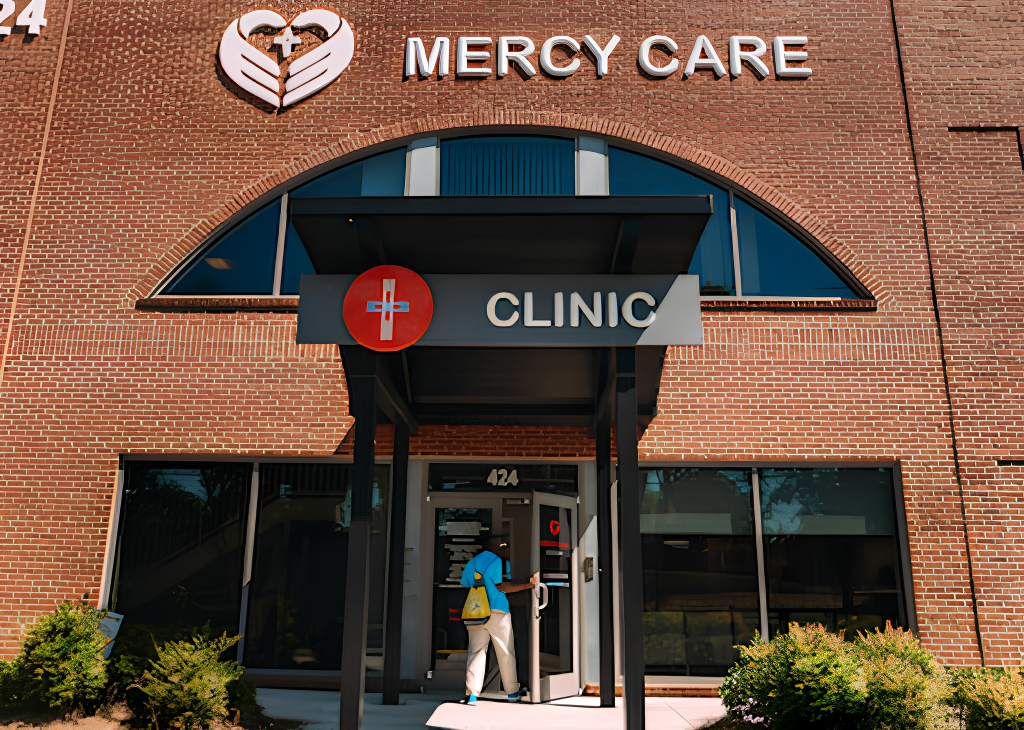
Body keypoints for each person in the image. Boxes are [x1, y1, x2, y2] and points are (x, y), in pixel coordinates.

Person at [459, 534, 538, 705]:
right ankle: (512, 693)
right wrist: (529, 584)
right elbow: (502, 586)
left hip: (476, 613)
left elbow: (465, 582)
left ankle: (472, 694)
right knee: (505, 652)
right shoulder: (499, 562)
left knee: (476, 653)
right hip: (498, 612)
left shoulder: (472, 563)